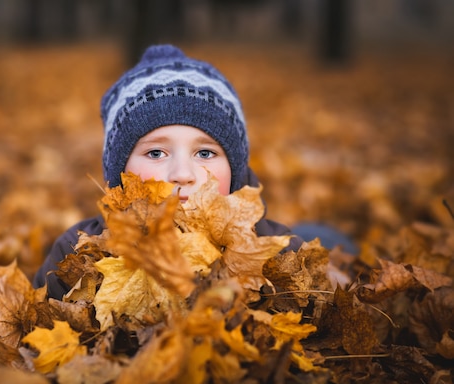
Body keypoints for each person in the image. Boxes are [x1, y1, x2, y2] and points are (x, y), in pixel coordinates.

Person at [33, 44, 348, 300]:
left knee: (329, 241)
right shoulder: (76, 253)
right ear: (120, 175)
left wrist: (332, 287)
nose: (182, 173)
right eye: (156, 153)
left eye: (205, 153)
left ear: (235, 173)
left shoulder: (279, 251)